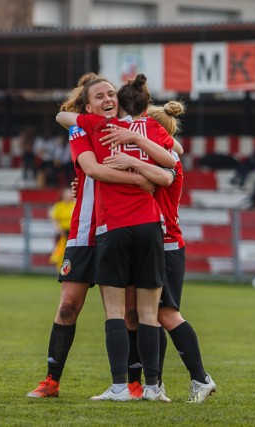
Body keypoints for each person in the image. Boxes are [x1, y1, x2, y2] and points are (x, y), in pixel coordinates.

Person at [27, 72, 169, 399]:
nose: (108, 100)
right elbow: (90, 166)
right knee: (67, 307)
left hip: (121, 224)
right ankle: (52, 380)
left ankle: (134, 383)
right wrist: (138, 180)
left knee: (132, 310)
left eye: (111, 95)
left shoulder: (131, 129)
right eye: (99, 96)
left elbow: (168, 147)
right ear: (88, 105)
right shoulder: (83, 128)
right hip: (84, 229)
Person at [105, 100, 217, 403]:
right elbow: (173, 149)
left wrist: (125, 160)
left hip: (165, 244)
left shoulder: (165, 165)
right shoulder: (163, 157)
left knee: (166, 314)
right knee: (149, 315)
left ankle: (200, 378)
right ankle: (155, 384)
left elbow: (154, 178)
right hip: (158, 244)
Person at [48, 188, 76, 271]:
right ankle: (61, 270)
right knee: (61, 253)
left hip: (73, 232)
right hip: (63, 232)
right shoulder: (59, 206)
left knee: (72, 253)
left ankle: (71, 270)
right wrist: (60, 230)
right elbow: (54, 219)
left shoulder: (74, 205)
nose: (69, 195)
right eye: (67, 193)